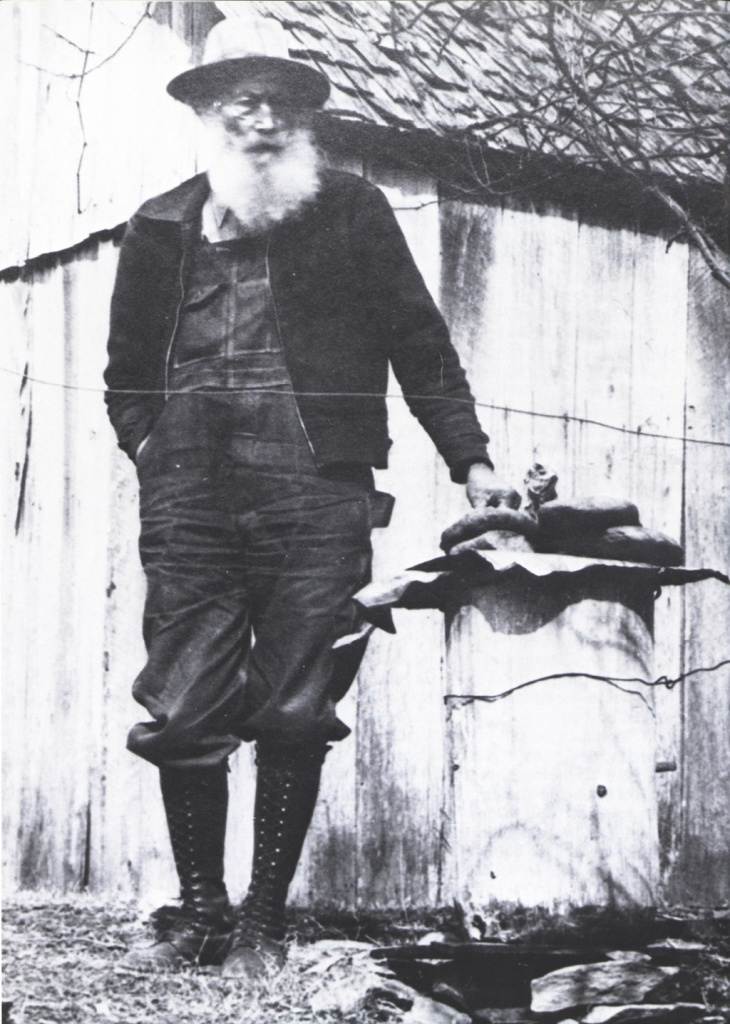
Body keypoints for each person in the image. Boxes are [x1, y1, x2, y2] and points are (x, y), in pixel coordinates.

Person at [104, 15, 519, 980]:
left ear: (303, 119)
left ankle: (261, 920)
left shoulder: (351, 212)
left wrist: (471, 460)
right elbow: (126, 374)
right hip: (190, 499)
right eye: (241, 100)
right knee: (183, 707)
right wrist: (152, 447)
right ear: (208, 112)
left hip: (316, 491)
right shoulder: (158, 227)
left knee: (296, 707)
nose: (261, 118)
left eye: (280, 103)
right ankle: (201, 911)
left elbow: (419, 343)